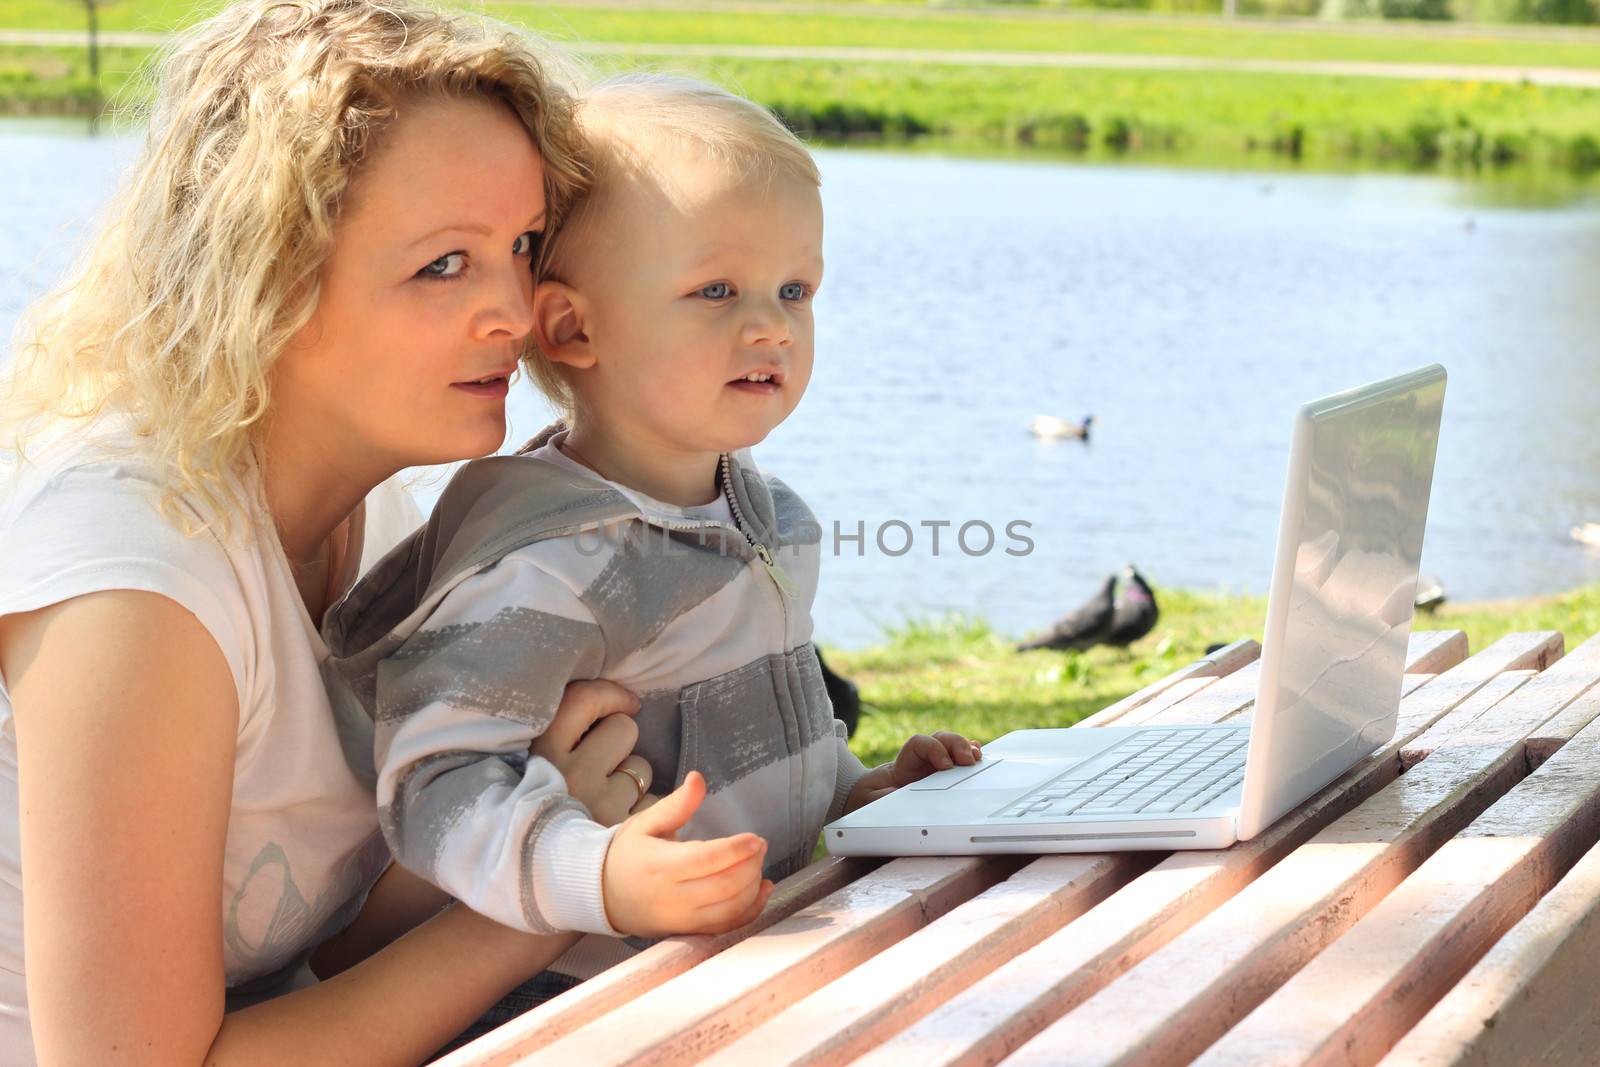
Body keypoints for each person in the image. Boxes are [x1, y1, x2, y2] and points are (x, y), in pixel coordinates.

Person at [0, 1, 651, 1061]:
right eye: (445, 262)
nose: (515, 310)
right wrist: (540, 896)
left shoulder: (371, 511)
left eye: (523, 246)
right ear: (268, 275)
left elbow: (329, 936)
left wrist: (526, 816)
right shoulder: (132, 573)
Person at [322, 74, 982, 1015]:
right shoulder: (550, 558)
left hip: (756, 953)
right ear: (572, 327)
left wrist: (861, 790)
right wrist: (598, 873)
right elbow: (434, 785)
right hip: (579, 989)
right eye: (715, 289)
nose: (770, 324)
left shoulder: (767, 517)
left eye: (795, 288)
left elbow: (756, 743)